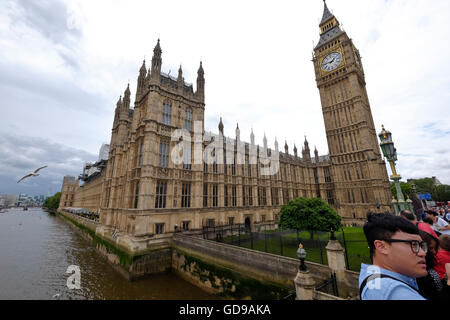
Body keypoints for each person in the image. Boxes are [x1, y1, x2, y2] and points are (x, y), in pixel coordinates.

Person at [359, 212, 428, 300]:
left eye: (421, 245)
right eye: (413, 244)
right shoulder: (393, 291)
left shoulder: (372, 277)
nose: (423, 253)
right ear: (381, 247)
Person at [415, 226, 450, 300]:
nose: (434, 252)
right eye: (430, 248)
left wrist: (446, 279)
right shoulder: (419, 273)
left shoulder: (428, 266)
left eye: (435, 248)